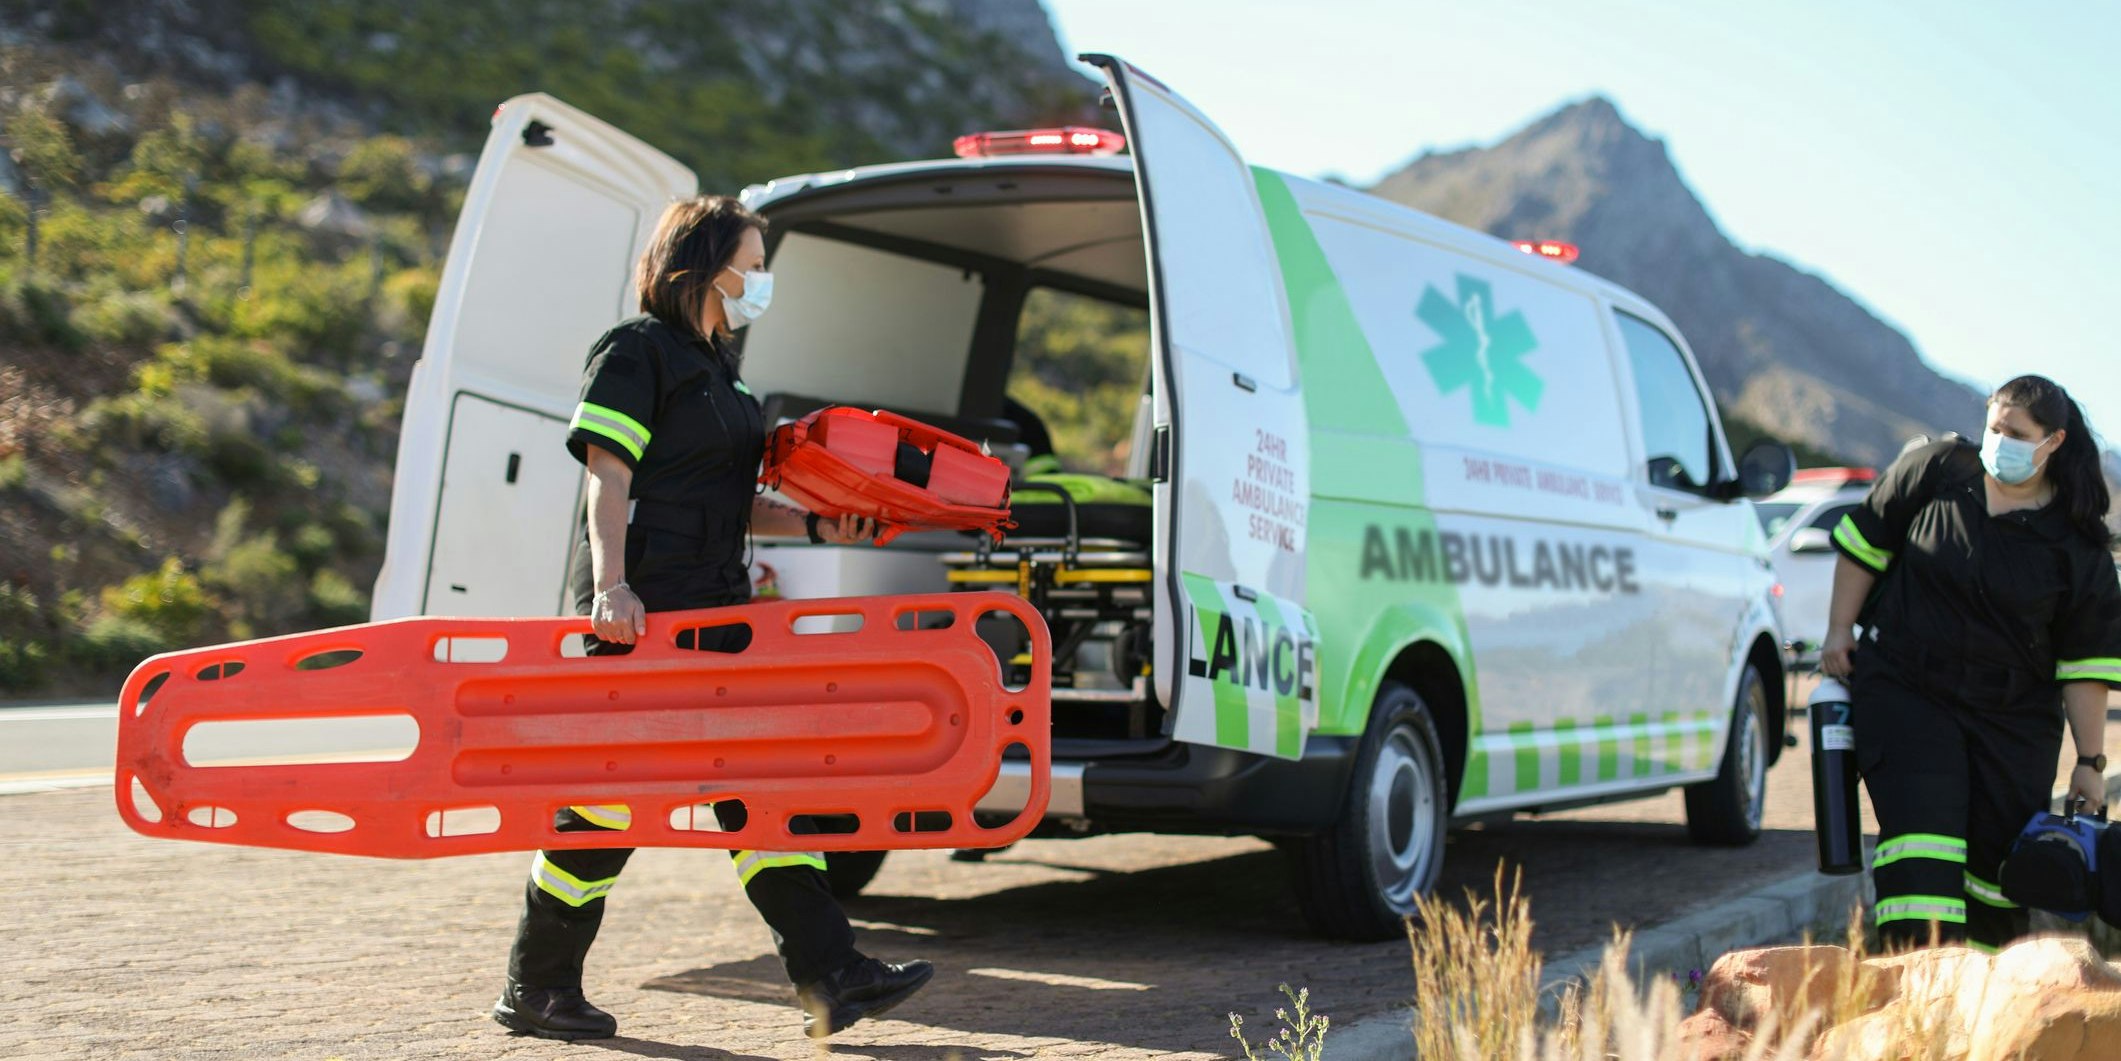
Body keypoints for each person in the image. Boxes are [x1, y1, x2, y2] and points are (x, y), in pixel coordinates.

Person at [491, 196, 933, 1041]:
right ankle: (536, 986)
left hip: (717, 616)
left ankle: (831, 974)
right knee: (604, 807)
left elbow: (733, 507)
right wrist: (611, 588)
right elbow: (607, 480)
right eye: (753, 262)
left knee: (763, 791)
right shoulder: (634, 353)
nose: (761, 280)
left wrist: (813, 524)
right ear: (702, 262)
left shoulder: (724, 373)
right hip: (644, 618)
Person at [1822, 374, 2121, 952]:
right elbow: (1865, 543)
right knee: (1922, 844)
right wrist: (1839, 629)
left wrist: (2090, 760)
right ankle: (1916, 1000)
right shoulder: (1935, 472)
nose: (1999, 440)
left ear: (2053, 442)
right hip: (1907, 691)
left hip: (2013, 721)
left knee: (1995, 875)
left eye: (2017, 433)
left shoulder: (2077, 545)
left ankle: (1982, 1013)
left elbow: (2083, 667)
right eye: (1995, 427)